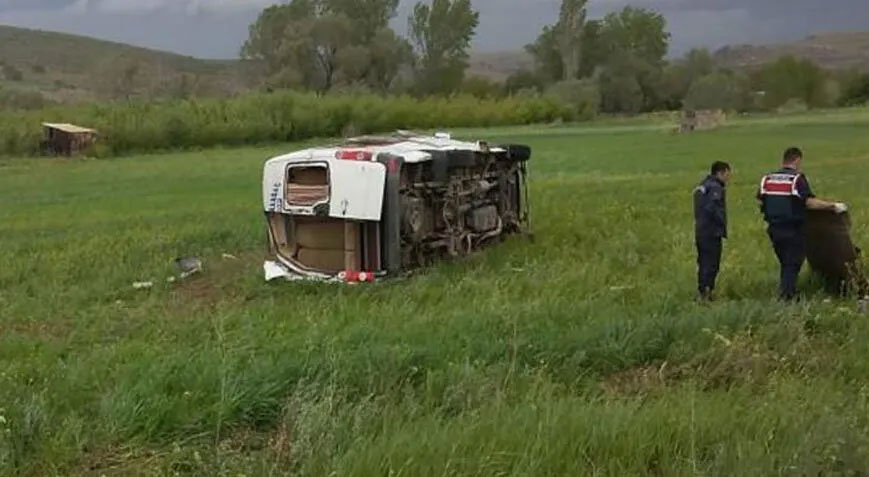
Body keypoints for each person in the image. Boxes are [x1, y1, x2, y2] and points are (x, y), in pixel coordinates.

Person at [757, 147, 848, 301]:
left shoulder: (767, 179)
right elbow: (809, 202)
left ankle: (787, 291)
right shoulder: (796, 179)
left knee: (786, 262)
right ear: (797, 160)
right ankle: (786, 297)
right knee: (792, 263)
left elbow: (760, 200)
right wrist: (833, 206)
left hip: (773, 229)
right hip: (792, 229)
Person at [694, 161, 732, 301]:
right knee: (711, 264)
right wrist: (721, 221)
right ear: (720, 172)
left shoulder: (702, 185)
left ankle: (702, 290)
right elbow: (712, 207)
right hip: (711, 232)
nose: (729, 178)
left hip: (700, 230)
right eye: (727, 174)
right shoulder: (716, 188)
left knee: (703, 262)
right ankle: (707, 293)